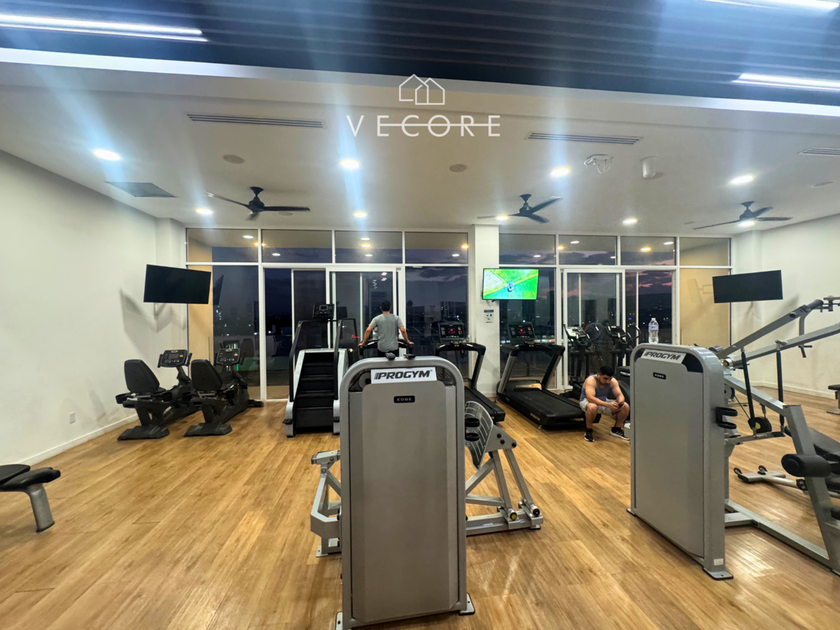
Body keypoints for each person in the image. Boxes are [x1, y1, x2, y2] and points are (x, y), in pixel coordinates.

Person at [580, 365, 630, 443]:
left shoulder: (613, 381)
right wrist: (608, 405)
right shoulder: (591, 380)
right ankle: (589, 430)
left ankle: (616, 429)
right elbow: (590, 398)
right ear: (598, 375)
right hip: (587, 402)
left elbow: (619, 395)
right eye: (605, 378)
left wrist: (620, 402)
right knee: (592, 407)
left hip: (604, 402)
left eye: (609, 379)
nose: (608, 381)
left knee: (625, 406)